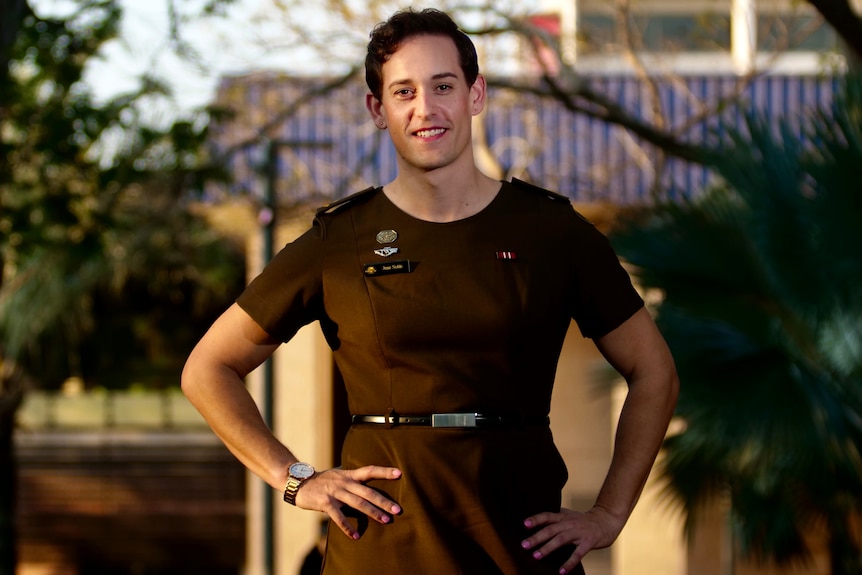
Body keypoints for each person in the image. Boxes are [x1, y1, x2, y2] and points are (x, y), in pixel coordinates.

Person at [182, 8, 679, 575]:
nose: (426, 109)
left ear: (476, 93)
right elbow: (207, 369)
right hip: (382, 549)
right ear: (378, 109)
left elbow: (655, 372)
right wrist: (295, 479)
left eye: (444, 86)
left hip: (522, 548)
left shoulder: (553, 232)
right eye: (404, 92)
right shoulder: (338, 240)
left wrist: (610, 513)